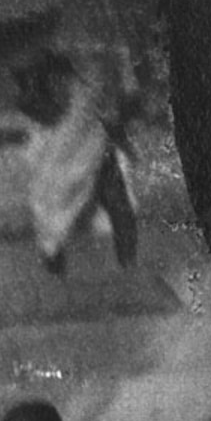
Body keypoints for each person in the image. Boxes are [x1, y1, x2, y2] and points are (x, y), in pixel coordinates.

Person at [16, 43, 138, 275]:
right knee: (66, 202)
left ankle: (126, 261)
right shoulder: (93, 66)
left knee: (112, 203)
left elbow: (124, 101)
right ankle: (123, 259)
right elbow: (126, 99)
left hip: (86, 144)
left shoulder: (88, 74)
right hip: (72, 146)